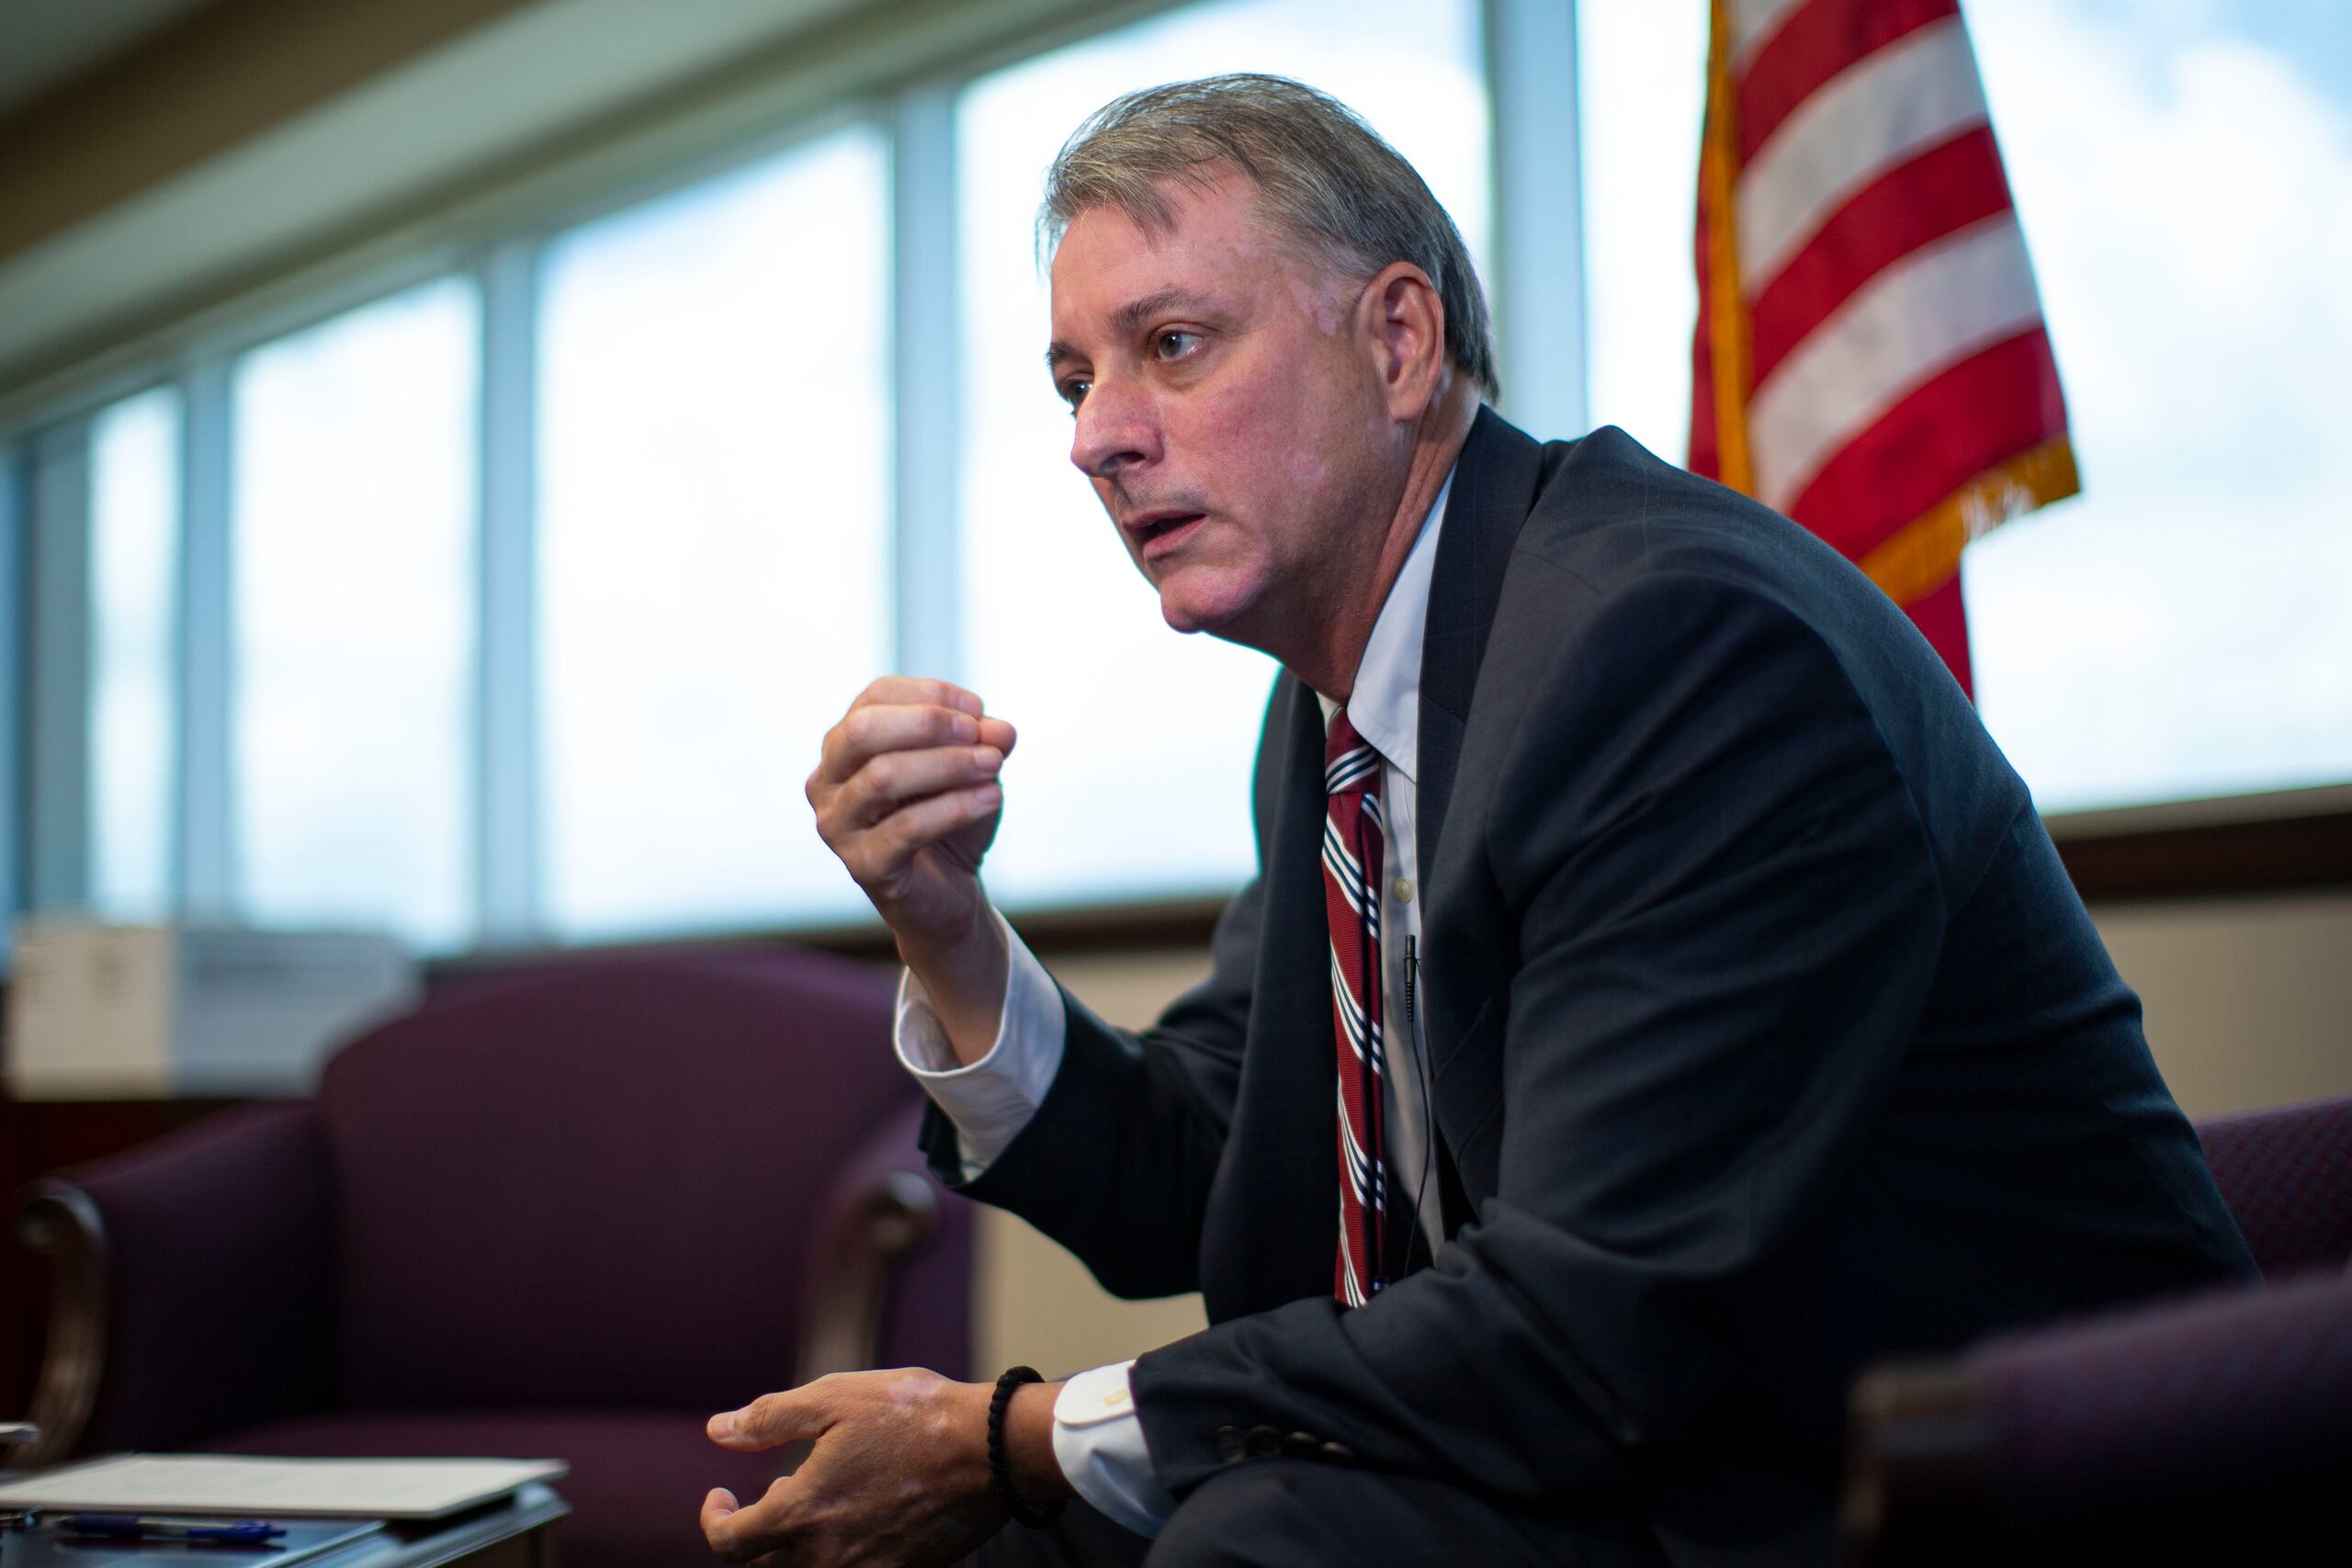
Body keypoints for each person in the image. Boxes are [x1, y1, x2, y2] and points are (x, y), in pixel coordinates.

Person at [701, 74, 2256, 1568]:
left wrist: (1015, 1436)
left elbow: (1588, 1326)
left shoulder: (1678, 647)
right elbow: (1194, 1179)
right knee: (1012, 1534)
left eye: (1171, 346)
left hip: (1928, 1490)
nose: (1097, 437)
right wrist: (948, 930)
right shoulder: (1337, 704)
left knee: (1218, 1524)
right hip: (1610, 1453)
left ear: (1397, 341)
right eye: (1074, 380)